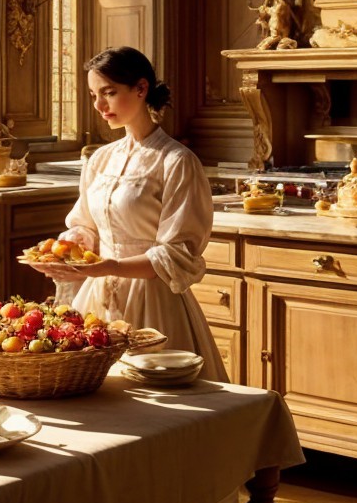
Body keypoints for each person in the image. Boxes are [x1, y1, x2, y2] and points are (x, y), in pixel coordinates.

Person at [29, 46, 226, 381]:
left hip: (154, 304)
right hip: (96, 301)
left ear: (141, 88)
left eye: (109, 93)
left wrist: (109, 266)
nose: (99, 106)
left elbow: (177, 254)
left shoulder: (177, 162)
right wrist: (72, 246)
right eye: (94, 95)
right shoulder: (100, 159)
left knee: (156, 407)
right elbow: (85, 223)